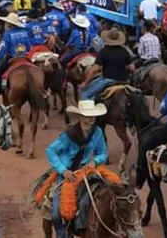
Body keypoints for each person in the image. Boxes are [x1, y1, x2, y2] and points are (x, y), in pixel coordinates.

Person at [46, 100, 108, 238]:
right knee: (57, 214)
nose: (91, 118)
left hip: (87, 171)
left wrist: (95, 161)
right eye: (87, 115)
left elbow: (103, 152)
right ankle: (62, 234)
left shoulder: (97, 132)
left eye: (93, 115)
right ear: (80, 117)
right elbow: (51, 150)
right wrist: (63, 170)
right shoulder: (68, 135)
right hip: (68, 173)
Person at [0, 13, 32, 105]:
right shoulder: (25, 32)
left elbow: (2, 49)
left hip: (12, 57)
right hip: (25, 57)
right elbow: (29, 46)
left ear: (9, 24)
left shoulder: (8, 34)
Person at [79, 27, 135, 100]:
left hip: (107, 80)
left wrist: (85, 83)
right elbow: (132, 68)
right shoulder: (124, 51)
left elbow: (95, 70)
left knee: (84, 95)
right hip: (123, 80)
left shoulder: (103, 51)